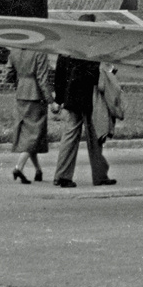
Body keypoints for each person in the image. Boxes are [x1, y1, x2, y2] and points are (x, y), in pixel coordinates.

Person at [51, 15, 115, 188]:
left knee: (69, 136)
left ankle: (62, 176)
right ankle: (100, 175)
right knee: (95, 137)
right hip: (91, 97)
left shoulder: (67, 47)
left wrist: (59, 99)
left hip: (72, 97)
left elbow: (59, 75)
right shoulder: (94, 47)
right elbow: (98, 73)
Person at [6, 48, 53, 184]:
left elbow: (9, 74)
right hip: (35, 95)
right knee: (34, 134)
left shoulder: (14, 51)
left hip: (21, 93)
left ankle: (38, 170)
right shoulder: (40, 51)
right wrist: (50, 100)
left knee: (28, 133)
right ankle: (18, 167)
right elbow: (42, 79)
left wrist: (20, 84)